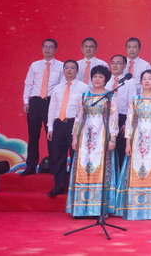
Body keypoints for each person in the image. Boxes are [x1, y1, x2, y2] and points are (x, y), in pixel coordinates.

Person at [114, 70, 151, 220]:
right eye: (144, 78)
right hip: (136, 140)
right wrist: (127, 143)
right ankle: (133, 206)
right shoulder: (135, 100)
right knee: (134, 169)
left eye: (150, 78)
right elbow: (129, 122)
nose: (146, 81)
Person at [66, 65, 118, 217]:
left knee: (99, 167)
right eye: (95, 76)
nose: (97, 79)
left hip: (102, 136)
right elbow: (78, 118)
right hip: (85, 137)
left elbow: (113, 119)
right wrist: (75, 137)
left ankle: (99, 208)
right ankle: (81, 208)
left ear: (106, 80)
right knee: (83, 166)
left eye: (101, 77)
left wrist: (112, 138)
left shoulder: (110, 96)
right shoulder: (85, 96)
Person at [46, 60, 88, 197]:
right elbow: (52, 108)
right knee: (58, 157)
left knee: (76, 156)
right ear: (63, 70)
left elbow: (85, 110)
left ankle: (76, 186)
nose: (69, 70)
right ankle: (58, 186)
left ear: (77, 71)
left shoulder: (84, 88)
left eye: (72, 68)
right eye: (66, 68)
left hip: (74, 124)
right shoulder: (57, 88)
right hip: (59, 124)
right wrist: (50, 127)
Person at [22, 38, 64, 175]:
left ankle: (54, 167)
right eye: (45, 46)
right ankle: (30, 166)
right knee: (33, 136)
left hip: (51, 102)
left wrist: (59, 106)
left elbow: (61, 87)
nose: (47, 49)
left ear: (55, 50)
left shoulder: (61, 66)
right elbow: (29, 83)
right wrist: (26, 101)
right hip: (35, 102)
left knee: (52, 136)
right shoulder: (35, 65)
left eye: (50, 47)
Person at [108, 54, 138, 167]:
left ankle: (120, 174)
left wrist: (127, 123)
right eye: (113, 63)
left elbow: (132, 103)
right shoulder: (106, 80)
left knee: (120, 149)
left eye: (119, 63)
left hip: (122, 118)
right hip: (106, 118)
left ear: (125, 65)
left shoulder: (130, 82)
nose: (115, 65)